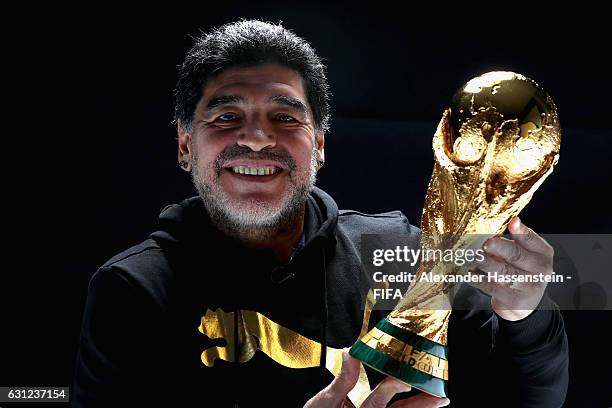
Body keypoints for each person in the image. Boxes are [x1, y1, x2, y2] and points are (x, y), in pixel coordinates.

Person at [72, 20, 569, 407]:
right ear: (185, 146)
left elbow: (528, 400)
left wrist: (523, 313)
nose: (257, 137)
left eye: (285, 117)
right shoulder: (131, 290)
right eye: (226, 116)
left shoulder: (399, 252)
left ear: (320, 147)